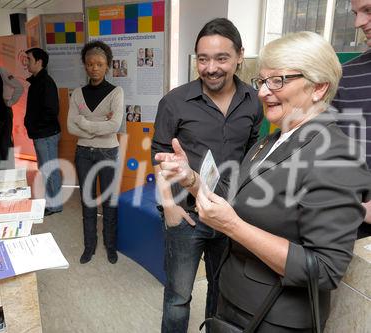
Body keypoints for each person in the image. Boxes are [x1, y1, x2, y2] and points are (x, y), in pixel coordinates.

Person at [157, 31, 371, 332]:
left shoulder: (336, 156)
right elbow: (240, 196)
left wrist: (232, 227)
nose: (263, 92)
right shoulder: (273, 140)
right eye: (262, 81)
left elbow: (323, 269)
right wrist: (191, 180)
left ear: (319, 88)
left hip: (272, 318)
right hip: (234, 303)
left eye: (278, 81)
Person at [151, 18, 264, 333]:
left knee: (222, 293)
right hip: (187, 217)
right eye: (203, 59)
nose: (211, 67)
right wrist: (170, 208)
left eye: (221, 58)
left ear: (240, 56)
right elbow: (158, 155)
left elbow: (252, 151)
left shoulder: (254, 101)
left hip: (230, 216)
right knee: (178, 297)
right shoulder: (174, 102)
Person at [67, 40, 124, 264]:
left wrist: (85, 123)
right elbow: (71, 127)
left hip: (108, 153)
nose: (95, 68)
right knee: (87, 201)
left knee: (109, 201)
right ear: (85, 65)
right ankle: (89, 246)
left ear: (108, 66)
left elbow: (115, 126)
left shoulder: (116, 92)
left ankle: (111, 246)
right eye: (90, 64)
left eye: (100, 64)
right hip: (83, 153)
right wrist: (98, 125)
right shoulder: (77, 94)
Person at [332, 0, 371, 238]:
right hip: (350, 227)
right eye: (356, 13)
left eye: (368, 11)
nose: (358, 23)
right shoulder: (345, 77)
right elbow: (326, 153)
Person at [24, 47, 63, 216]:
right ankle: (50, 201)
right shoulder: (37, 82)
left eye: (29, 60)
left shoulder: (45, 82)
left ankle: (55, 205)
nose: (26, 63)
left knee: (49, 168)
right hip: (42, 133)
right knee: (45, 168)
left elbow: (51, 110)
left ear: (39, 62)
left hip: (46, 134)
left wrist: (36, 126)